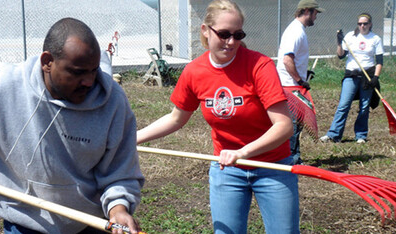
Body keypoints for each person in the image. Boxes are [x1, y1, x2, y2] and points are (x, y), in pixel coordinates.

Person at [137, 0, 299, 233]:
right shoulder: (194, 71)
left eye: (238, 34)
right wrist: (133, 138)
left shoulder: (259, 65)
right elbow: (175, 118)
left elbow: (284, 126)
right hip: (227, 170)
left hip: (273, 166)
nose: (231, 42)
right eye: (224, 34)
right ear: (205, 30)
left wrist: (242, 152)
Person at [0, 18, 144, 234]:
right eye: (77, 72)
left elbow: (120, 171)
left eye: (93, 71)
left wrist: (118, 209)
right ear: (47, 61)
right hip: (25, 221)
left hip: (89, 222)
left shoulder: (113, 102)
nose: (89, 81)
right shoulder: (0, 89)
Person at [320, 13, 383, 143]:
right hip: (351, 75)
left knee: (364, 107)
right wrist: (339, 42)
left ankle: (361, 135)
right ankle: (333, 134)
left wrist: (375, 78)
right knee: (343, 104)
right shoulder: (350, 36)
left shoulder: (375, 39)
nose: (362, 26)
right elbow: (341, 55)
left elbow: (379, 61)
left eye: (365, 23)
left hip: (367, 76)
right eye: (360, 24)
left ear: (370, 24)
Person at [276, 0, 324, 164]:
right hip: (290, 85)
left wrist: (303, 73)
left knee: (296, 123)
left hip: (292, 83)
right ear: (306, 11)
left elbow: (293, 59)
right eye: (315, 13)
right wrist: (299, 80)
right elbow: (287, 60)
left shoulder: (298, 30)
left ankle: (291, 157)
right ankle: (290, 159)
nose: (316, 17)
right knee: (294, 124)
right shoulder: (295, 31)